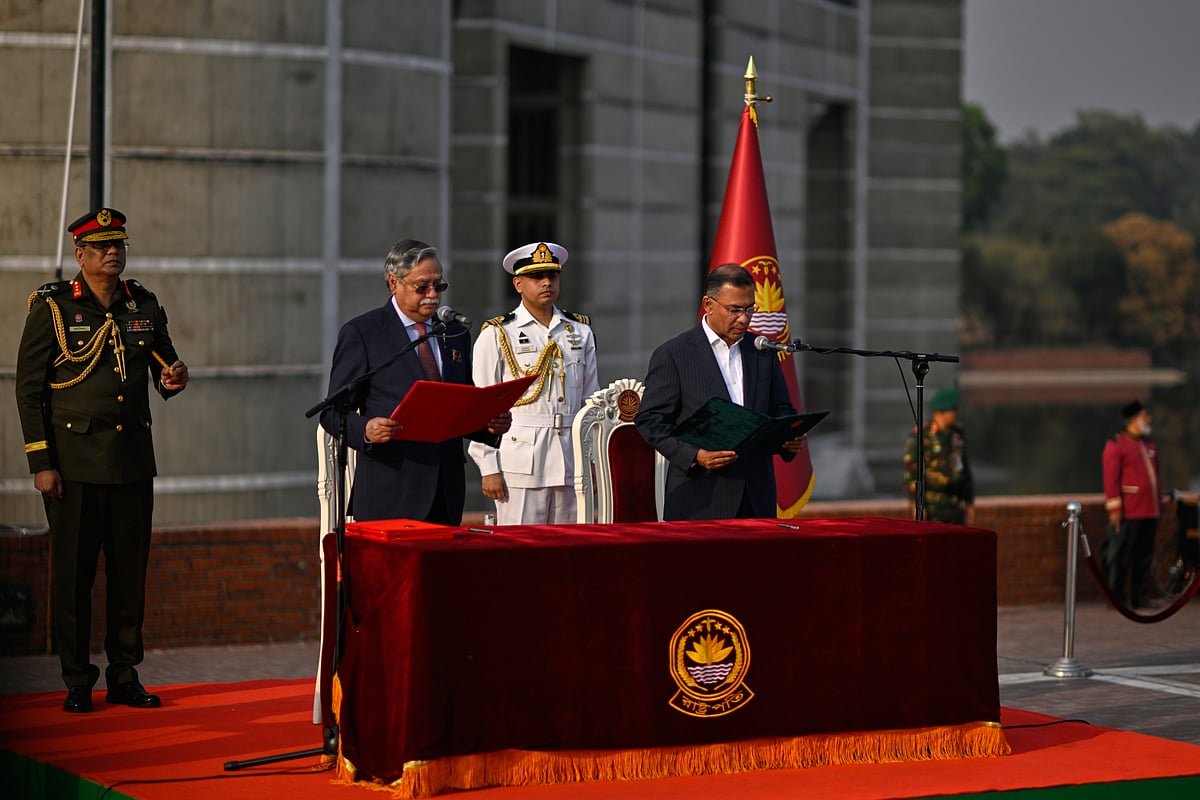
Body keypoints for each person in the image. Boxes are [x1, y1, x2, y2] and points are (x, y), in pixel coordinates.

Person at [15, 207, 189, 713]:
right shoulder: (53, 308)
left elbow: (164, 364)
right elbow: (29, 391)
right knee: (73, 578)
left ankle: (124, 674)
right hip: (72, 466)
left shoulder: (142, 303)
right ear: (81, 254)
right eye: (102, 246)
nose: (113, 253)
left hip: (131, 462)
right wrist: (41, 463)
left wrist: (174, 378)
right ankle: (76, 679)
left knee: (128, 576)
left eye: (119, 245)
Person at [320, 239, 510, 524]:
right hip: (391, 487)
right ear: (393, 282)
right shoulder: (364, 332)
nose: (432, 295)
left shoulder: (454, 332)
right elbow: (332, 413)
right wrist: (366, 429)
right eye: (422, 287)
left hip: (445, 488)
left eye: (439, 286)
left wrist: (488, 425)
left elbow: (461, 404)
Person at [634, 264, 807, 521]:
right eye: (734, 310)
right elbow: (649, 420)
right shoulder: (674, 354)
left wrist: (789, 436)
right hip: (700, 498)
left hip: (756, 497)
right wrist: (694, 455)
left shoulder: (762, 351)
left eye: (750, 309)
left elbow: (781, 409)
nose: (744, 319)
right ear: (709, 305)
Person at [468, 241, 599, 524]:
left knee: (568, 544)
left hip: (571, 458)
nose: (546, 283)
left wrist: (594, 462)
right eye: (536, 277)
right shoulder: (499, 332)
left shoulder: (579, 331)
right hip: (521, 458)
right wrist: (488, 466)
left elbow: (591, 402)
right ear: (518, 284)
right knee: (520, 544)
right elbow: (482, 404)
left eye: (552, 276)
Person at [1102, 400, 1168, 609]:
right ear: (1133, 420)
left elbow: (1156, 477)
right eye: (1143, 416)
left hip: (1149, 509)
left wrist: (1159, 504)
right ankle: (1117, 598)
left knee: (1144, 556)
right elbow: (1111, 479)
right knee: (1123, 557)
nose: (1147, 419)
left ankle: (1140, 596)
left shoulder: (1149, 445)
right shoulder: (1117, 445)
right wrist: (1114, 509)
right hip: (1130, 511)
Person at [903, 384, 975, 524]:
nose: (956, 413)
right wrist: (917, 504)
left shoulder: (956, 435)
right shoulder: (922, 436)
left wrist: (969, 502)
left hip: (956, 507)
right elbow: (911, 474)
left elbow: (965, 469)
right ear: (942, 412)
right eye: (953, 410)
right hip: (933, 507)